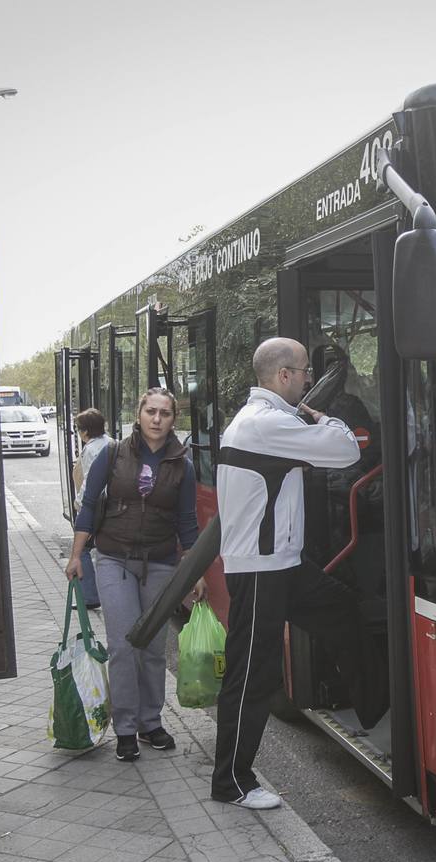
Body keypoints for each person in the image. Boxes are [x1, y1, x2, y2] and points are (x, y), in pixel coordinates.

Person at [209, 337, 361, 810]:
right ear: (284, 377)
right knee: (252, 674)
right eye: (305, 371)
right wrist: (322, 416)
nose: (311, 379)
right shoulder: (268, 423)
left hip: (283, 565)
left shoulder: (265, 422)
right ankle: (231, 781)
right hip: (261, 571)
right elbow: (346, 450)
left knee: (340, 608)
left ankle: (375, 702)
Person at [65, 388, 198, 762]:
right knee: (124, 645)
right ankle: (125, 726)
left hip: (159, 562)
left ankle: (150, 722)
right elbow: (89, 505)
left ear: (174, 419)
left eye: (165, 413)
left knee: (153, 648)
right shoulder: (112, 453)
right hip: (113, 559)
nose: (157, 419)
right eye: (151, 411)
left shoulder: (182, 465)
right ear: (139, 414)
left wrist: (195, 572)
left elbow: (187, 523)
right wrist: (77, 555)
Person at [70, 408, 113, 610]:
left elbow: (89, 481)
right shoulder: (111, 442)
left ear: (85, 431)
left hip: (96, 506)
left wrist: (79, 504)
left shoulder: (90, 449)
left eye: (79, 429)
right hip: (113, 503)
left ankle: (89, 596)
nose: (79, 433)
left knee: (83, 551)